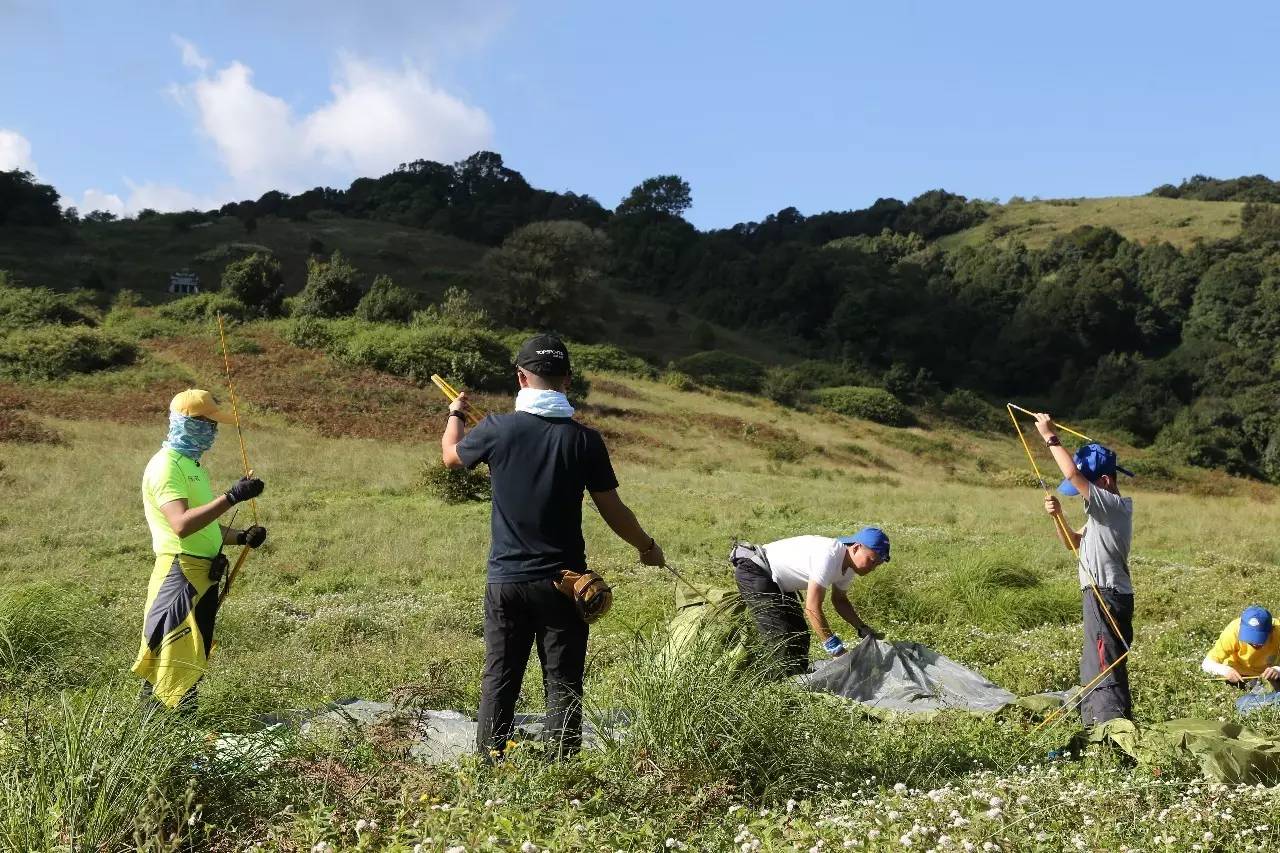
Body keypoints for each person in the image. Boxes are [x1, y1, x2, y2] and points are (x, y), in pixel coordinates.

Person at [442, 333, 664, 758]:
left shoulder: (495, 429)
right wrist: (646, 546)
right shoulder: (584, 441)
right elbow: (612, 509)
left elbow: (451, 457)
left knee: (500, 676)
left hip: (507, 580)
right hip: (565, 582)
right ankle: (562, 768)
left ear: (521, 377)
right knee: (563, 680)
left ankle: (492, 764)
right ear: (566, 380)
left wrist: (456, 414)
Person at [132, 389, 266, 710]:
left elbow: (203, 525)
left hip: (203, 578)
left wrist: (241, 536)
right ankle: (152, 743)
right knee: (172, 663)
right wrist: (231, 497)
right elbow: (181, 524)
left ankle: (181, 741)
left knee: (191, 664)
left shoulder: (194, 467)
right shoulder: (166, 467)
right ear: (188, 423)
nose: (214, 431)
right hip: (180, 577)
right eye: (208, 423)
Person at [1035, 413, 1135, 726]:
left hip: (1107, 595)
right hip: (1098, 595)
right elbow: (1072, 542)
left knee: (1105, 664)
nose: (1079, 492)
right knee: (1095, 663)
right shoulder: (1099, 517)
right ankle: (1096, 724)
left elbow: (1072, 472)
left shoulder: (1112, 506)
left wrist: (1049, 437)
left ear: (1104, 482)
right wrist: (1058, 516)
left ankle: (1111, 730)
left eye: (1083, 487)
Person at [729, 528, 889, 675]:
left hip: (779, 582)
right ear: (856, 547)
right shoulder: (830, 555)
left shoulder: (849, 568)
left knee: (799, 634)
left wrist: (862, 628)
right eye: (872, 560)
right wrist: (835, 649)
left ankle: (796, 681)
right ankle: (771, 686)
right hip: (756, 570)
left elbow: (839, 601)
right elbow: (812, 608)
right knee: (781, 636)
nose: (873, 567)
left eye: (878, 564)